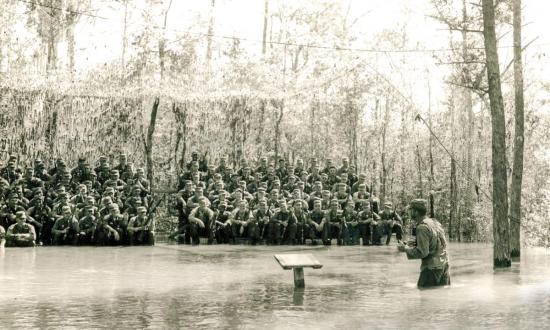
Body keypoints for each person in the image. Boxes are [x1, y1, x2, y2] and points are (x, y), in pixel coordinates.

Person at [397, 199, 451, 289]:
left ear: (416, 212)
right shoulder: (435, 222)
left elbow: (423, 253)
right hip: (444, 266)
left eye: (410, 210)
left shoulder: (422, 227)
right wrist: (415, 243)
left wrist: (405, 249)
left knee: (425, 299)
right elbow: (438, 243)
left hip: (431, 269)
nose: (408, 212)